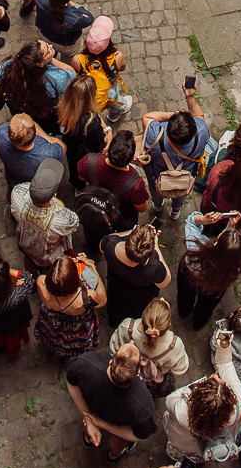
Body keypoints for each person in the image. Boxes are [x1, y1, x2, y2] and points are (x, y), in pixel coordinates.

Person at [164, 328, 241, 462]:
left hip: (181, 440)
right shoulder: (239, 401)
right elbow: (225, 364)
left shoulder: (182, 411)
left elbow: (171, 398)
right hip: (207, 445)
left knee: (179, 450)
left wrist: (194, 386)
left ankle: (174, 457)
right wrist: (224, 346)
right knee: (196, 454)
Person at [66, 342, 157, 461]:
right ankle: (113, 456)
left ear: (111, 361)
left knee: (90, 425)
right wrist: (104, 425)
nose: (132, 342)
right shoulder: (143, 404)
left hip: (93, 408)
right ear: (137, 373)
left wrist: (88, 418)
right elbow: (141, 435)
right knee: (118, 440)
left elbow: (71, 383)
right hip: (118, 423)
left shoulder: (86, 363)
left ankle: (88, 439)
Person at [142, 81, 211, 219]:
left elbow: (147, 117)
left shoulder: (156, 136)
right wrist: (190, 97)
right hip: (185, 174)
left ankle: (157, 205)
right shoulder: (201, 133)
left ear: (168, 129)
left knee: (155, 190)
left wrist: (169, 115)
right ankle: (175, 211)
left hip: (157, 174)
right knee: (181, 192)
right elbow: (200, 116)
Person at [12, 158, 80, 270]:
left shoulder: (18, 192)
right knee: (51, 270)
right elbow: (74, 223)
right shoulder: (62, 219)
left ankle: (31, 276)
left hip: (24, 243)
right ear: (54, 195)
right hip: (49, 255)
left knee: (29, 261)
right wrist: (59, 204)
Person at [78, 127, 150, 230]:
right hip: (122, 216)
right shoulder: (135, 184)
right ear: (131, 158)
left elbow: (81, 178)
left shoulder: (89, 161)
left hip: (94, 206)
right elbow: (142, 208)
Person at [177, 225, 241, 330]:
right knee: (205, 307)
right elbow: (228, 249)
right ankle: (198, 324)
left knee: (184, 295)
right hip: (215, 287)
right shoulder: (235, 266)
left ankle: (183, 311)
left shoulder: (197, 247)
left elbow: (192, 222)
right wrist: (229, 227)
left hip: (190, 277)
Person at [104, 223, 171, 328]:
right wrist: (156, 247)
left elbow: (102, 245)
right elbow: (165, 282)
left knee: (116, 309)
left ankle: (114, 323)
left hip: (116, 290)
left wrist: (134, 232)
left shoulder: (110, 244)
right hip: (140, 298)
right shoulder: (153, 268)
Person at [0, 111, 65, 192]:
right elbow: (62, 147)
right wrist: (47, 137)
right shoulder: (47, 153)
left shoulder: (1, 133)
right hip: (36, 186)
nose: (23, 113)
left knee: (10, 191)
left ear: (8, 135)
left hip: (12, 178)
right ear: (36, 134)